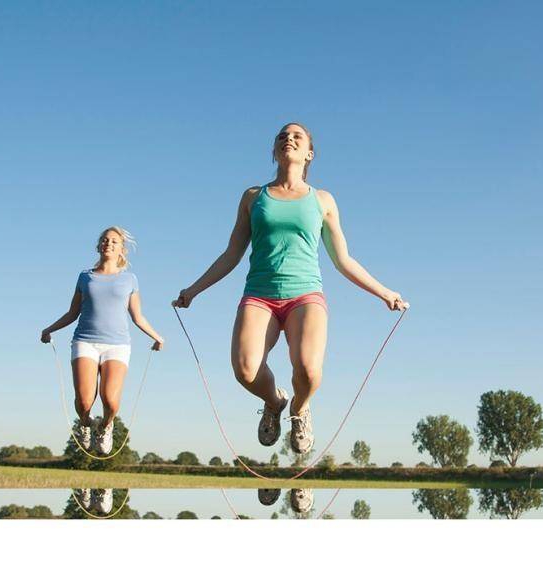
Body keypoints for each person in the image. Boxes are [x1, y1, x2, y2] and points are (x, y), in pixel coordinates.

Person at [173, 123, 406, 455]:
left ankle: (299, 409)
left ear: (309, 153)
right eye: (283, 135)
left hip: (305, 294)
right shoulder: (253, 197)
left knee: (309, 370)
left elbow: (343, 260)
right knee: (245, 369)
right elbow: (231, 254)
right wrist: (194, 290)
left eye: (298, 136)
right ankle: (275, 401)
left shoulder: (323, 200)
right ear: (274, 151)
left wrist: (386, 292)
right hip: (259, 294)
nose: (289, 138)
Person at [42, 226, 164, 455]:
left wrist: (157, 337)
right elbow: (72, 313)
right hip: (85, 341)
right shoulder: (85, 277)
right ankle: (86, 424)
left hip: (117, 345)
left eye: (114, 241)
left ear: (122, 250)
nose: (109, 243)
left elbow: (137, 316)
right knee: (85, 401)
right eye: (105, 240)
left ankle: (106, 426)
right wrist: (49, 329)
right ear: (99, 246)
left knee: (110, 399)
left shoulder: (130, 279)